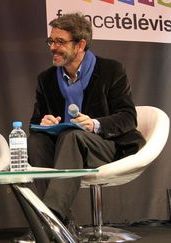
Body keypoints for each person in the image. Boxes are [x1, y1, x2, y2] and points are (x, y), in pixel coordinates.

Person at [28, 13, 146, 238]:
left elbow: (128, 117)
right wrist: (43, 122)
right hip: (64, 147)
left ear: (80, 44)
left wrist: (94, 124)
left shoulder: (111, 70)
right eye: (51, 41)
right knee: (36, 141)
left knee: (73, 136)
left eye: (60, 42)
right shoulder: (46, 79)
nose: (53, 47)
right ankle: (64, 222)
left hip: (104, 145)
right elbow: (34, 123)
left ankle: (50, 218)